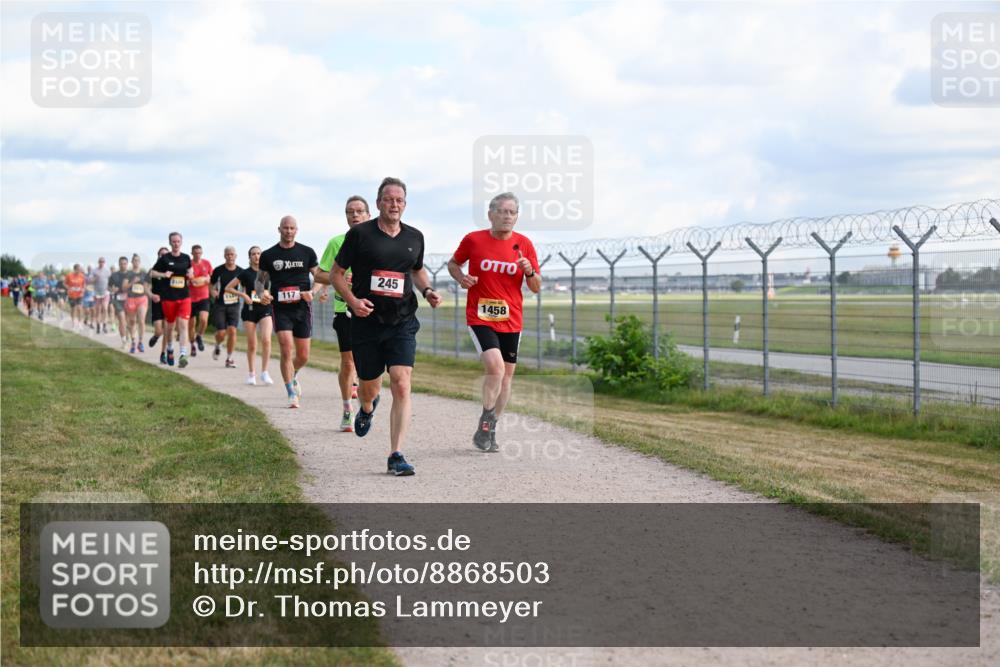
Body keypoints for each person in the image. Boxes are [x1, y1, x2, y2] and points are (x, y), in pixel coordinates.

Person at [330, 177, 442, 476]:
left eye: (400, 200)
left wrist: (428, 290)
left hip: (402, 321)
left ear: (405, 204)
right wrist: (353, 302)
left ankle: (396, 454)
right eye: (389, 199)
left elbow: (416, 271)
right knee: (368, 386)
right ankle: (367, 408)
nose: (394, 204)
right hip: (367, 322)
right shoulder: (360, 235)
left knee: (402, 382)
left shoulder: (414, 237)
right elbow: (336, 274)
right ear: (379, 202)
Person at [448, 192, 542, 452]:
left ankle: (489, 428)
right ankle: (486, 419)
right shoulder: (474, 240)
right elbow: (454, 263)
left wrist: (529, 271)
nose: (507, 216)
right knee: (496, 369)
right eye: (502, 211)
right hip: (480, 316)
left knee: (507, 377)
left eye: (512, 212)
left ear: (517, 217)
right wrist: (461, 278)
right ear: (491, 214)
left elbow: (536, 286)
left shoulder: (524, 244)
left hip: (511, 319)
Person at [315, 195, 369, 431]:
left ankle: (368, 401)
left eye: (359, 211)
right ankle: (347, 409)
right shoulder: (337, 242)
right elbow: (319, 275)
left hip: (371, 310)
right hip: (344, 310)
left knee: (369, 364)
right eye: (350, 212)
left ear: (368, 214)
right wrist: (340, 279)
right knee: (348, 364)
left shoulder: (377, 241)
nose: (355, 215)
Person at [256, 216, 318, 408]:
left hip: (302, 308)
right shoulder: (268, 255)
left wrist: (312, 292)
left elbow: (321, 277)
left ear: (296, 230)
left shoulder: (307, 252)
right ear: (279, 229)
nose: (288, 231)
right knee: (285, 347)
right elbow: (260, 281)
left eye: (292, 228)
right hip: (280, 308)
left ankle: (294, 373)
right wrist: (262, 293)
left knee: (303, 355)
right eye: (285, 228)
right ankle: (291, 391)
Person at [226, 245, 274, 386]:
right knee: (252, 344)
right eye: (253, 254)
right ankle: (251, 373)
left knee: (266, 339)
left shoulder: (267, 272)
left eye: (259, 253)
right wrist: (243, 295)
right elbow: (228, 287)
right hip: (250, 310)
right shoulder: (245, 273)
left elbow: (275, 287)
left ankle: (264, 372)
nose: (256, 256)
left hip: (265, 308)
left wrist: (270, 295)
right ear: (249, 257)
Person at [150, 232, 194, 367]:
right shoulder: (164, 259)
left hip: (184, 297)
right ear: (170, 243)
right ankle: (169, 348)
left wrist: (191, 274)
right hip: (168, 298)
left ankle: (182, 354)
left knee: (183, 324)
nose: (176, 244)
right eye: (173, 242)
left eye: (178, 241)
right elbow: (152, 273)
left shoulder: (186, 258)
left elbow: (190, 270)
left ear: (181, 242)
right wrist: (163, 274)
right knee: (169, 327)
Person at [209, 246, 243, 368]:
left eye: (232, 254)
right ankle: (218, 345)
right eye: (228, 254)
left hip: (234, 305)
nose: (230, 256)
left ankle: (229, 358)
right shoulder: (218, 270)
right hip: (220, 305)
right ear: (224, 256)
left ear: (236, 256)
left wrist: (245, 294)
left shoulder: (241, 271)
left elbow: (245, 287)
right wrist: (213, 292)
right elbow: (211, 285)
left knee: (233, 331)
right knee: (222, 333)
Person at [188, 244, 213, 356]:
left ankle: (200, 336)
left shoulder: (207, 263)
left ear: (201, 253)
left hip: (204, 297)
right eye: (195, 253)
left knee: (203, 320)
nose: (198, 255)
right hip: (190, 298)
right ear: (192, 253)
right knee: (191, 324)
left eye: (199, 253)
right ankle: (192, 345)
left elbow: (211, 277)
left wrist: (206, 279)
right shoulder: (189, 264)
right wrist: (203, 279)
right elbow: (192, 281)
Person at [147, 247, 169, 363]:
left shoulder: (172, 270)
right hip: (157, 302)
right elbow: (147, 288)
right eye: (161, 255)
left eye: (166, 255)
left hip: (169, 302)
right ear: (158, 256)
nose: (163, 257)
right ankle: (156, 336)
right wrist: (151, 295)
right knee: (159, 331)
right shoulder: (152, 270)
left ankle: (163, 353)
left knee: (167, 330)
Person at [125, 254, 149, 353]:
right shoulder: (128, 274)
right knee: (132, 322)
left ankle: (140, 342)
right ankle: (133, 342)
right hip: (131, 299)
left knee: (142, 320)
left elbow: (148, 286)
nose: (136, 262)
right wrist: (132, 282)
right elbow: (124, 287)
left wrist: (146, 288)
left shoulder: (144, 273)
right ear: (132, 262)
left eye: (138, 260)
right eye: (134, 260)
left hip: (142, 298)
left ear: (140, 262)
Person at [108, 256, 132, 348]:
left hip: (129, 299)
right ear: (119, 264)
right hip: (117, 299)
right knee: (122, 319)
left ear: (127, 264)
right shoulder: (114, 275)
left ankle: (128, 336)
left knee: (129, 321)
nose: (123, 265)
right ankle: (124, 340)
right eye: (121, 264)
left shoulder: (131, 274)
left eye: (125, 264)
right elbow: (109, 287)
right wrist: (112, 289)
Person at [90, 257, 112, 333]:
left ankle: (104, 325)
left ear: (104, 262)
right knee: (98, 310)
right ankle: (98, 326)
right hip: (97, 293)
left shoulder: (107, 271)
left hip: (105, 292)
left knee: (105, 309)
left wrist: (111, 288)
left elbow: (111, 281)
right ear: (98, 262)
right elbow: (90, 281)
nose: (101, 263)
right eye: (100, 261)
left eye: (103, 261)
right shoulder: (94, 271)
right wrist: (95, 278)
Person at [64, 264, 86, 329]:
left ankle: (80, 323)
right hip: (71, 295)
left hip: (79, 294)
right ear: (75, 269)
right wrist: (69, 287)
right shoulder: (69, 275)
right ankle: (73, 323)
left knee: (79, 308)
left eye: (80, 269)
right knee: (73, 309)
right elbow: (64, 283)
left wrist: (83, 290)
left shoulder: (82, 276)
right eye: (78, 269)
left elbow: (84, 284)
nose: (79, 270)